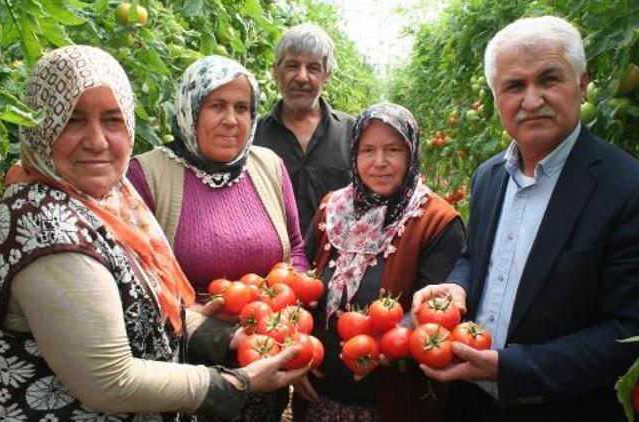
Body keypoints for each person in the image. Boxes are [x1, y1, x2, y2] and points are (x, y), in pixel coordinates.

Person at [0, 45, 305, 421]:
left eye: (112, 120)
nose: (97, 140)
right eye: (73, 120)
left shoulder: (110, 200)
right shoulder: (46, 226)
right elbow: (110, 379)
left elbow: (141, 306)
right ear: (41, 124)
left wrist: (224, 337)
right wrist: (237, 382)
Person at [413, 16, 639, 421]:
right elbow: (473, 257)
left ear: (582, 82)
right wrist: (455, 285)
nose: (532, 100)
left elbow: (637, 330)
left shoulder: (636, 193)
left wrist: (511, 368)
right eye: (514, 86)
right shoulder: (489, 177)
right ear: (495, 96)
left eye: (549, 79)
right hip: (470, 404)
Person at [126, 55, 308, 421]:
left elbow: (296, 248)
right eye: (217, 106)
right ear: (190, 109)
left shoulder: (269, 166)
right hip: (185, 372)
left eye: (242, 108)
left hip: (264, 354)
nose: (231, 119)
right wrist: (219, 335)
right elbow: (135, 283)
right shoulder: (147, 174)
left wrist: (291, 305)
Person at [294, 102, 466, 422]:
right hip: (321, 400)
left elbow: (434, 315)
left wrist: (381, 346)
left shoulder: (436, 221)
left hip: (391, 404)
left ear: (411, 153)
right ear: (354, 155)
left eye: (393, 150)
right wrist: (296, 355)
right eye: (367, 150)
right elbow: (303, 280)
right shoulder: (333, 208)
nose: (379, 162)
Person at [254, 23, 355, 235]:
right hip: (268, 266)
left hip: (334, 263)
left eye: (313, 68)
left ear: (326, 76)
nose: (301, 77)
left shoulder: (353, 133)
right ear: (276, 72)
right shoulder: (253, 135)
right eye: (292, 65)